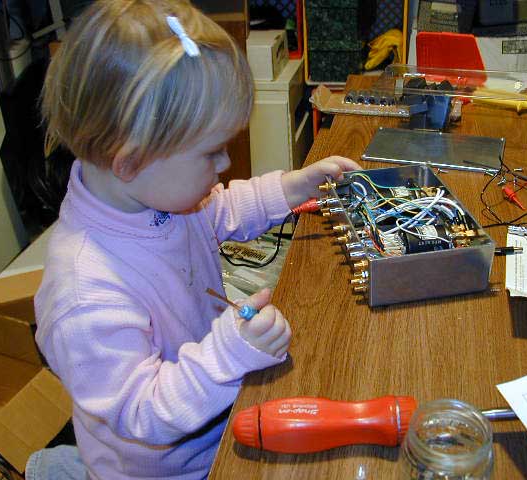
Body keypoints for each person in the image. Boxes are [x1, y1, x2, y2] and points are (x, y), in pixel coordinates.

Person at [31, 1, 360, 479]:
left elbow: (220, 209)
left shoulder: (158, 197)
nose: (224, 165)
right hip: (170, 468)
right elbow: (143, 413)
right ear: (130, 161)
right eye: (211, 153)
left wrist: (293, 187)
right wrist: (225, 355)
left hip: (213, 402)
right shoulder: (84, 296)